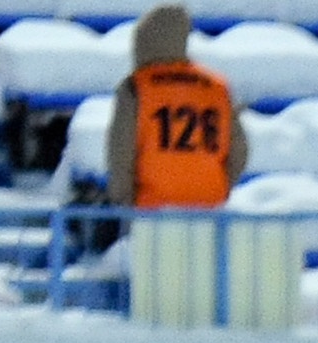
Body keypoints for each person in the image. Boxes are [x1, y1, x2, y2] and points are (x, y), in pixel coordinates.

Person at [105, 4, 248, 209]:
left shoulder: (136, 87)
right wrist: (220, 188)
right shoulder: (217, 87)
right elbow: (239, 151)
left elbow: (121, 152)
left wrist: (125, 200)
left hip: (151, 210)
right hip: (210, 210)